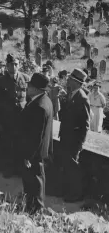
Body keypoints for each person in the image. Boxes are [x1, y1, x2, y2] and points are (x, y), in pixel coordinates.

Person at [0, 53, 30, 178]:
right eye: (11, 64)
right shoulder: (0, 82)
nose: (14, 67)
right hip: (6, 120)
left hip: (21, 119)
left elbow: (29, 100)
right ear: (7, 66)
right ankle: (8, 168)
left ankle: (19, 168)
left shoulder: (25, 78)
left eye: (16, 64)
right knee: (7, 145)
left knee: (20, 145)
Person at [20, 73, 53, 214]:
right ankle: (31, 206)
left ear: (36, 88)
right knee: (33, 180)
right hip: (38, 150)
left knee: (35, 181)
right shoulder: (44, 100)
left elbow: (36, 136)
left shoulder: (39, 107)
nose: (27, 87)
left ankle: (36, 209)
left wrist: (27, 155)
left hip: (34, 152)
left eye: (30, 86)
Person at [59, 68, 90, 202]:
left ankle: (76, 194)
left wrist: (79, 144)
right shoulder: (71, 94)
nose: (68, 80)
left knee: (73, 168)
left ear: (76, 82)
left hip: (74, 141)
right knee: (66, 165)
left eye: (70, 79)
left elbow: (85, 125)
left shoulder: (82, 98)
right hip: (66, 137)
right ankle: (68, 190)